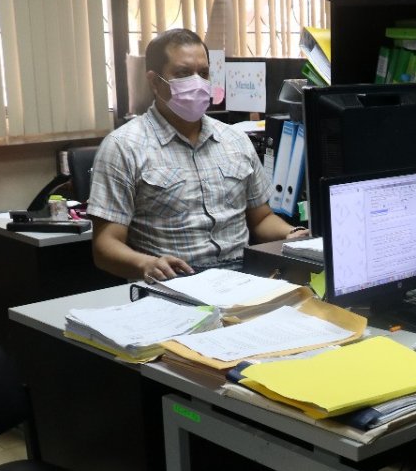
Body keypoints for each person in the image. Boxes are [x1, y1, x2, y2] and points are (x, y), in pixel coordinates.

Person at [88, 28, 307, 281]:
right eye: (183, 73)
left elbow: (261, 219)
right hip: (174, 282)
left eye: (203, 73)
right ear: (155, 82)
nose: (197, 82)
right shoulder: (123, 147)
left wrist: (292, 235)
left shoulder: (235, 140)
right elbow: (105, 245)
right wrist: (146, 264)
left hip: (243, 279)